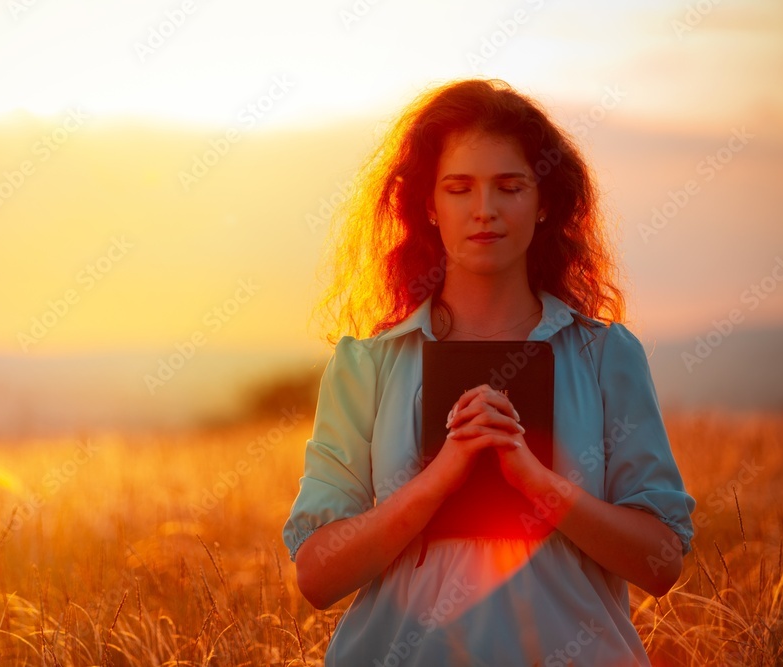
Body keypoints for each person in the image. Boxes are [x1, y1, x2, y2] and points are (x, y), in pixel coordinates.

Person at [282, 79, 695, 665]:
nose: (485, 210)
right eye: (459, 188)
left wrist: (538, 485)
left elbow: (661, 564)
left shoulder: (605, 356)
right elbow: (317, 577)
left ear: (544, 200)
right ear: (428, 205)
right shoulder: (367, 365)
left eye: (510, 186)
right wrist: (440, 478)